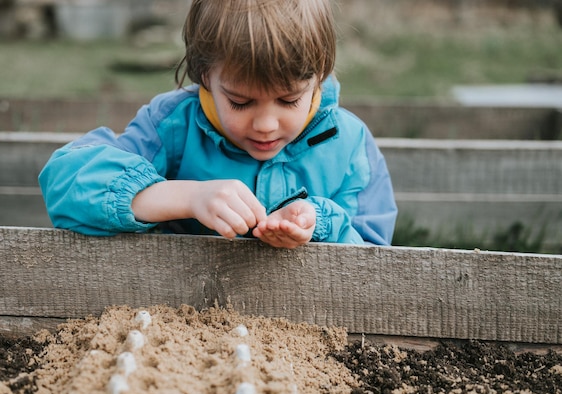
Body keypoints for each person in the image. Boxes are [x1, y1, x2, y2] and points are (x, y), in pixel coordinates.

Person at [39, 0, 397, 249]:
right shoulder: (174, 124)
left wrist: (320, 223)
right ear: (204, 74)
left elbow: (375, 262)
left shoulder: (350, 145)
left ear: (319, 76)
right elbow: (67, 180)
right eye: (240, 102)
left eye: (289, 100)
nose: (267, 124)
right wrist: (187, 196)